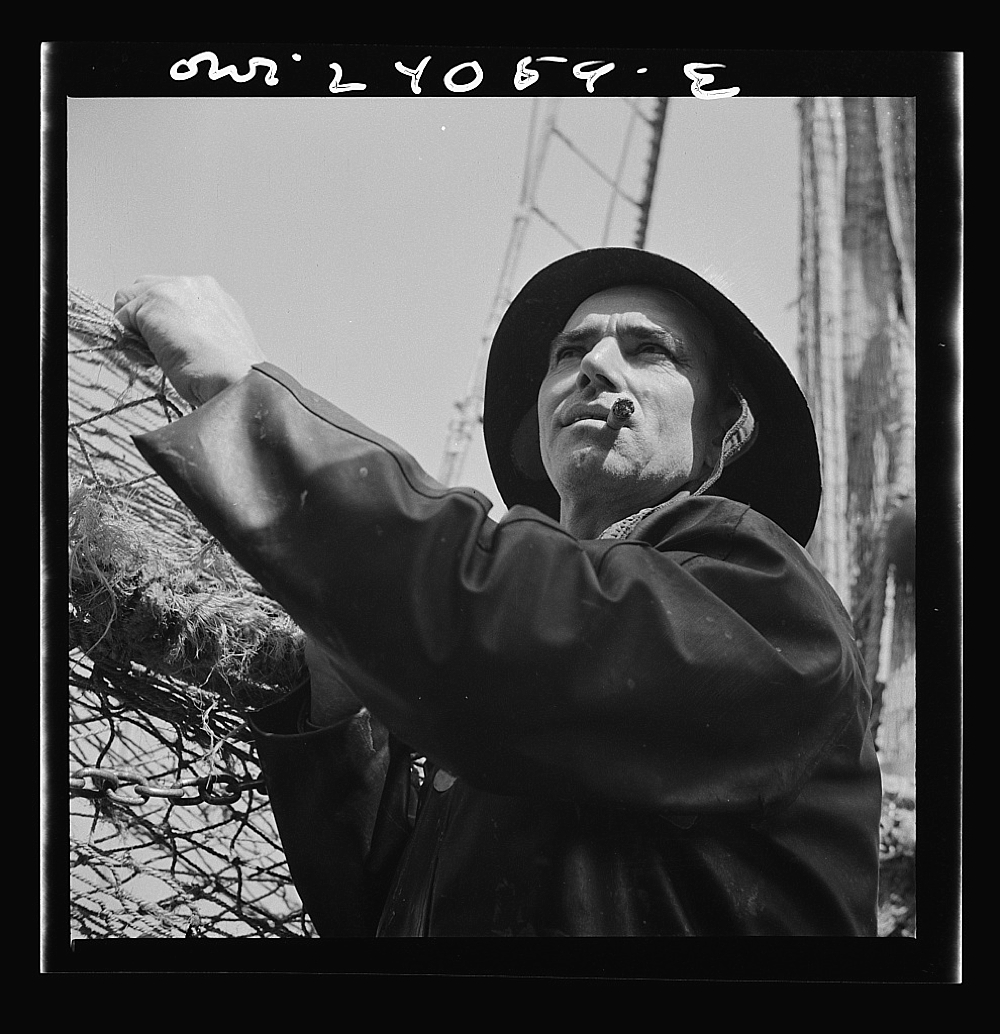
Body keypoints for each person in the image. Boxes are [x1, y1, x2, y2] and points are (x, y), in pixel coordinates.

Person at [117, 248, 882, 937]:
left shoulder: (763, 593)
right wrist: (336, 707)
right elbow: (382, 917)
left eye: (650, 350)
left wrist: (245, 398)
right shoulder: (502, 691)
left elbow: (514, 626)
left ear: (727, 428)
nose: (595, 367)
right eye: (570, 351)